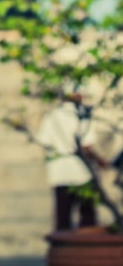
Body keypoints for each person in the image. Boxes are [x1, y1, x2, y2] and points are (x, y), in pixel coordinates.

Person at [36, 94, 107, 231]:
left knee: (63, 218)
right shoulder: (82, 115)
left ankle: (65, 248)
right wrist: (101, 161)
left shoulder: (52, 115)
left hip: (60, 173)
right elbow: (87, 146)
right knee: (88, 218)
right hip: (82, 174)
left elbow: (44, 142)